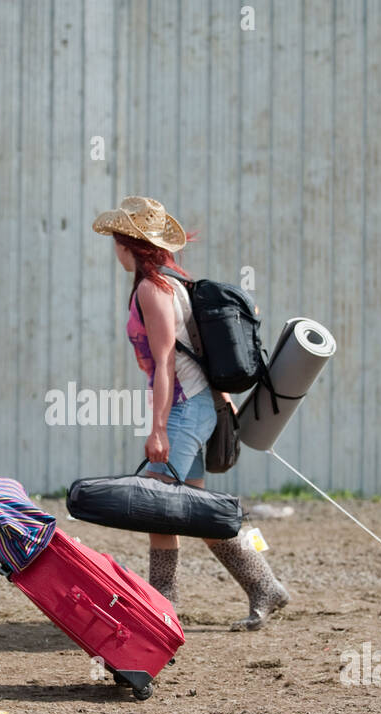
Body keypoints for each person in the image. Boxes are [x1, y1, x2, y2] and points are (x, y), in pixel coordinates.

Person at [92, 196, 288, 631]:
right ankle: (264, 587)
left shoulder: (152, 289)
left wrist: (159, 429)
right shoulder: (172, 284)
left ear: (129, 244)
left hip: (183, 409)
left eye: (117, 242)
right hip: (196, 405)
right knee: (193, 511)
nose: (115, 250)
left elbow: (166, 362)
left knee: (157, 502)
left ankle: (162, 605)